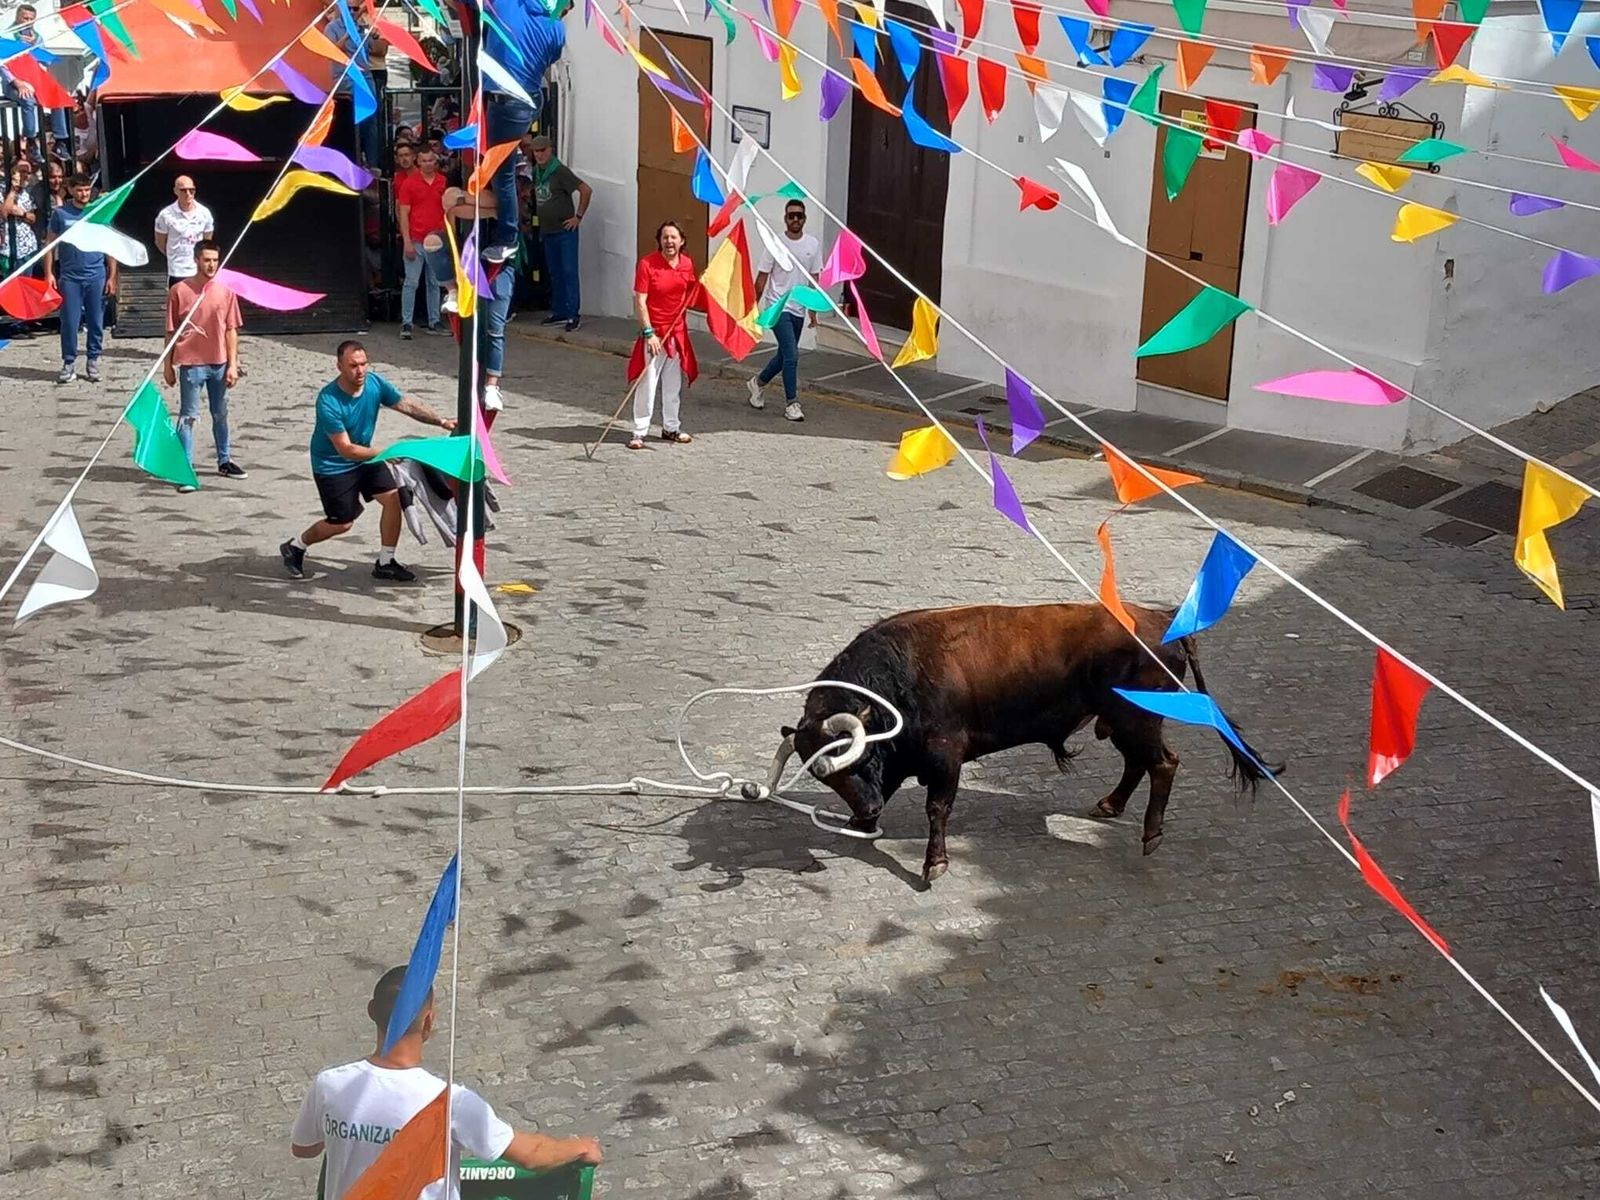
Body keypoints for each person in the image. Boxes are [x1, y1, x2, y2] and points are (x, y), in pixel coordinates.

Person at [291, 967, 602, 1200]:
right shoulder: (449, 1103)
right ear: (429, 1021)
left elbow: (304, 1147)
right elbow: (532, 1155)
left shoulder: (329, 1085)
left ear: (372, 1012)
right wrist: (580, 1147)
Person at [280, 341, 455, 583]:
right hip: (333, 465)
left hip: (365, 458)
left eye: (363, 364)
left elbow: (406, 405)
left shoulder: (374, 383)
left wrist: (442, 421)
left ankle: (385, 563)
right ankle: (296, 546)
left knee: (394, 498)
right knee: (342, 524)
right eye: (353, 366)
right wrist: (383, 453)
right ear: (339, 365)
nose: (360, 371)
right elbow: (346, 449)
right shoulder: (328, 400)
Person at [478, 0, 566, 264]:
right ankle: (516, 147)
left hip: (507, 104)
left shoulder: (505, 4)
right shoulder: (558, 29)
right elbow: (551, 57)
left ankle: (508, 238)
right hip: (530, 101)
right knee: (505, 154)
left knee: (501, 173)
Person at [162, 240, 246, 489]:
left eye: (215, 260)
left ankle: (224, 460)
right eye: (207, 260)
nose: (211, 265)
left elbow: (231, 330)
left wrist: (233, 364)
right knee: (188, 416)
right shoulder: (179, 290)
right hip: (190, 364)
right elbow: (170, 332)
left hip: (219, 363)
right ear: (196, 260)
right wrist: (168, 366)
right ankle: (185, 468)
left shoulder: (225, 290)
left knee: (220, 414)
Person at [747, 199, 824, 423]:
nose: (795, 219)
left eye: (799, 215)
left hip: (798, 308)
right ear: (785, 219)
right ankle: (792, 403)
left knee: (784, 355)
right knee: (792, 354)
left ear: (805, 219)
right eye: (791, 216)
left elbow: (814, 278)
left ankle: (758, 383)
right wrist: (754, 307)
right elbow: (762, 277)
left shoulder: (812, 244)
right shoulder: (775, 243)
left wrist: (813, 310)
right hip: (777, 306)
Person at [627, 220, 699, 450]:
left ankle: (671, 427)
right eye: (665, 237)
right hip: (655, 333)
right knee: (647, 382)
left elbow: (691, 294)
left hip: (676, 332)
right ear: (659, 240)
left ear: (682, 241)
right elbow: (640, 300)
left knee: (672, 383)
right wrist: (649, 333)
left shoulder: (687, 264)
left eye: (673, 237)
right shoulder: (647, 264)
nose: (669, 241)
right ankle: (639, 430)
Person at [43, 173, 116, 385]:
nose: (84, 194)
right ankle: (69, 362)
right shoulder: (61, 214)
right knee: (69, 322)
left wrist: (112, 276)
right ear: (71, 190)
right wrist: (49, 274)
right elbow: (49, 245)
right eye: (79, 190)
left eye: (87, 190)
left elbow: (110, 245)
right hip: (70, 277)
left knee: (95, 322)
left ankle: (93, 360)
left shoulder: (99, 212)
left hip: (96, 275)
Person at [527, 135, 588, 332]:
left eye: (543, 150)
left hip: (565, 230)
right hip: (548, 230)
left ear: (550, 150)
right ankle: (560, 311)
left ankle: (573, 314)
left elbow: (586, 190)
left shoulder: (560, 171)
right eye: (536, 151)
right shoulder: (537, 171)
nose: (540, 154)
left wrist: (578, 216)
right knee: (555, 272)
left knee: (568, 271)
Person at [2, 4, 71, 162]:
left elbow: (44, 62)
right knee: (28, 99)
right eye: (25, 18)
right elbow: (2, 64)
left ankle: (60, 141)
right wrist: (18, 82)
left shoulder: (37, 37)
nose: (28, 22)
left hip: (34, 80)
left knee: (57, 96)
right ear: (17, 17)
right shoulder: (7, 37)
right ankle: (31, 142)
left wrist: (34, 48)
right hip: (14, 83)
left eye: (31, 20)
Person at [395, 147, 452, 339]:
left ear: (435, 162)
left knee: (434, 282)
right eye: (424, 160)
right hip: (417, 239)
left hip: (437, 239)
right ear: (418, 162)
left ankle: (434, 321)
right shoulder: (409, 184)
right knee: (411, 282)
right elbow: (404, 214)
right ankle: (407, 323)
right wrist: (407, 241)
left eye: (431, 160)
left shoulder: (443, 181)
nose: (428, 164)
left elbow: (449, 211)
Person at [153, 175, 214, 288]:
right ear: (176, 191)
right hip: (177, 271)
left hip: (198, 271)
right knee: (178, 304)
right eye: (183, 190)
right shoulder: (165, 214)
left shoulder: (205, 213)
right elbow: (159, 241)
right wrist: (172, 255)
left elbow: (207, 241)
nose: (188, 194)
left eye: (191, 190)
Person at [2, 164, 38, 270]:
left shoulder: (27, 193)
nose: (25, 175)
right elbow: (4, 213)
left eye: (28, 173)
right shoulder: (2, 189)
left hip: (26, 247)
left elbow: (33, 218)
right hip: (7, 248)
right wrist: (13, 190)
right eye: (22, 171)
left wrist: (23, 214)